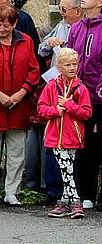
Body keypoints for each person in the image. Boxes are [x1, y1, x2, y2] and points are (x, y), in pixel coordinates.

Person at [0, 6, 40, 208]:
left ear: (15, 24)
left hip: (18, 105)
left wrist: (21, 94)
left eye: (6, 25)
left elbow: (33, 70)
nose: (2, 29)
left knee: (16, 153)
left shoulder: (26, 41)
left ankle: (12, 192)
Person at [37, 48, 92, 219]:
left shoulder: (81, 88)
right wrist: (56, 110)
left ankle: (64, 201)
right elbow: (41, 108)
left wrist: (69, 106)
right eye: (68, 64)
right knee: (65, 168)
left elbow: (86, 112)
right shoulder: (51, 86)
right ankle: (75, 202)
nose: (72, 68)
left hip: (73, 136)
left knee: (67, 170)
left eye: (75, 64)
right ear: (59, 67)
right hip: (55, 136)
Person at [66, 0, 102, 210]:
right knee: (83, 144)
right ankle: (85, 193)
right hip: (81, 96)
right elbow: (70, 58)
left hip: (99, 96)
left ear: (100, 1)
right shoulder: (77, 28)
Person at [39, 0, 84, 68]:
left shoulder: (87, 31)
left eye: (64, 9)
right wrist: (49, 42)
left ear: (78, 11)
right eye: (59, 8)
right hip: (57, 78)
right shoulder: (61, 25)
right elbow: (41, 50)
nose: (60, 12)